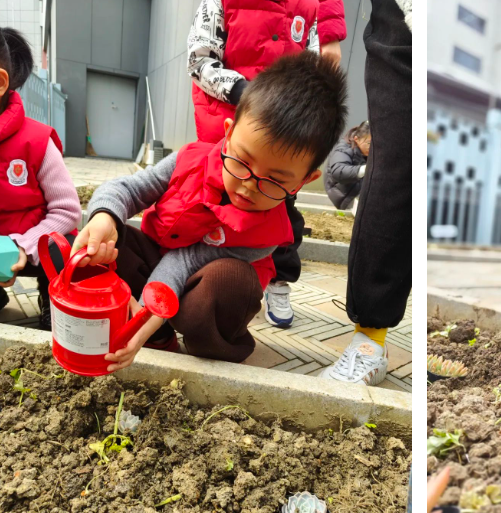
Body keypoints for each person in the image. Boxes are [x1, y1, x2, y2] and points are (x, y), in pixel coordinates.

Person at [71, 53, 347, 370]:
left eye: (274, 181)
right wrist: (103, 217)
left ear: (304, 180)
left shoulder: (268, 234)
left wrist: (151, 306)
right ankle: (154, 335)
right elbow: (131, 188)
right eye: (242, 162)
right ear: (228, 133)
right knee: (111, 242)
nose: (249, 185)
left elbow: (187, 259)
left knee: (229, 282)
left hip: (197, 291)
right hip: (157, 260)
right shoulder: (188, 160)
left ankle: (211, 355)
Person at [187, 0, 347, 329]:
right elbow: (199, 59)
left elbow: (317, 73)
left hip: (286, 142)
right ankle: (197, 280)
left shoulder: (311, 7)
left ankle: (277, 280)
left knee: (282, 214)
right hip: (231, 130)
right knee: (212, 210)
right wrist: (250, 96)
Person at [318, 0, 411, 385]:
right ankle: (370, 339)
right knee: (394, 165)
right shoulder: (347, 149)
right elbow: (339, 172)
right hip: (404, 21)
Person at [0, 28, 81, 331]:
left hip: (34, 242)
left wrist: (24, 245)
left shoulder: (36, 141)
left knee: (67, 250)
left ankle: (53, 300)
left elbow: (68, 211)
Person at [324, 120, 370, 210]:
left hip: (360, 193)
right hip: (344, 195)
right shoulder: (344, 148)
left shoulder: (371, 150)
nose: (372, 147)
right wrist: (366, 169)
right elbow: (338, 171)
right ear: (357, 139)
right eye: (369, 143)